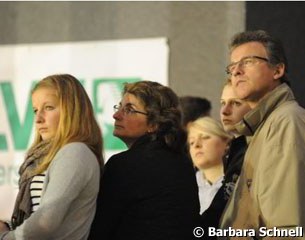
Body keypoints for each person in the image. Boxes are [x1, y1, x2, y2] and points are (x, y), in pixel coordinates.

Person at [220, 30, 305, 238]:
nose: (236, 72)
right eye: (232, 66)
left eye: (248, 61)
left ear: (277, 70)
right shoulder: (261, 126)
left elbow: (286, 225)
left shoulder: (285, 121)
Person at [89, 81, 200, 240]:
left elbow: (100, 229)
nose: (116, 115)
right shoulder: (182, 161)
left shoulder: (124, 165)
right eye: (119, 107)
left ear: (154, 124)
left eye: (129, 110)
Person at [0, 74, 104, 240]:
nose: (39, 119)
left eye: (49, 107)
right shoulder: (48, 156)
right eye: (35, 110)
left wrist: (6, 237)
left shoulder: (75, 152)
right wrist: (8, 227)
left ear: (72, 109)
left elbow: (45, 223)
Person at [198, 80, 251, 239]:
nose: (225, 111)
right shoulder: (238, 147)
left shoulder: (251, 148)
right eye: (223, 103)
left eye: (235, 103)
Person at [187, 116, 232, 215]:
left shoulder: (238, 182)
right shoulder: (185, 187)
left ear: (227, 143)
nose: (196, 145)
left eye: (205, 137)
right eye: (191, 142)